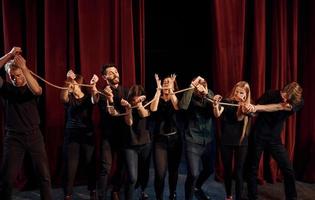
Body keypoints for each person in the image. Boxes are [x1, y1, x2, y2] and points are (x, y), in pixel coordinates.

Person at [0, 47, 53, 200]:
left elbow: (38, 90)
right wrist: (9, 55)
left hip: (34, 135)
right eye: (12, 76)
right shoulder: (6, 89)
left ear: (24, 73)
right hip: (13, 137)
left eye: (18, 75)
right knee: (7, 180)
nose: (16, 79)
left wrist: (24, 67)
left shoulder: (30, 88)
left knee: (44, 177)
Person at [246, 82, 303, 200]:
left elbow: (279, 107)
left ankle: (292, 197)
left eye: (288, 98)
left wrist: (256, 107)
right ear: (284, 90)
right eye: (284, 95)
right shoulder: (270, 94)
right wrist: (251, 109)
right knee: (253, 168)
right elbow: (255, 112)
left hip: (274, 140)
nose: (285, 99)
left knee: (288, 168)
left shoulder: (297, 102)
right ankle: (252, 196)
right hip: (259, 135)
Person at [92, 64, 128, 200]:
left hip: (123, 135)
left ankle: (116, 190)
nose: (115, 74)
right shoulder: (101, 93)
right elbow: (105, 111)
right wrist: (108, 98)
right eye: (111, 73)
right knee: (105, 167)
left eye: (116, 71)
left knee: (121, 165)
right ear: (104, 77)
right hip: (107, 136)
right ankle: (101, 195)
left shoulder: (126, 91)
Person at [60, 70, 98, 200]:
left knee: (90, 163)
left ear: (80, 85)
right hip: (71, 135)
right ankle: (68, 194)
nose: (72, 85)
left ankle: (93, 191)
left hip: (87, 134)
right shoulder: (69, 97)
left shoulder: (88, 97)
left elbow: (95, 99)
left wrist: (93, 86)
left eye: (74, 83)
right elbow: (63, 97)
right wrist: (68, 80)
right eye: (71, 83)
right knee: (70, 166)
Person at [213, 81, 252, 200]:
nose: (238, 94)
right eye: (236, 91)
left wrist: (244, 108)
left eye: (241, 92)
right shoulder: (227, 102)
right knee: (228, 170)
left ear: (246, 95)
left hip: (241, 142)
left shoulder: (248, 106)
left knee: (239, 172)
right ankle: (228, 195)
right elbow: (217, 114)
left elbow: (240, 118)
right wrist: (215, 105)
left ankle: (239, 197)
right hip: (226, 140)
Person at [179, 76, 216, 200]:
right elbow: (183, 106)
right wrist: (191, 86)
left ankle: (197, 187)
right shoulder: (190, 96)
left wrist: (206, 94)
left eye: (203, 83)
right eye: (198, 83)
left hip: (208, 140)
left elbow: (214, 109)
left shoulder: (209, 93)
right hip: (192, 140)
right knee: (193, 174)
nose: (201, 85)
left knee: (209, 169)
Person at [150, 74, 182, 200]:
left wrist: (172, 91)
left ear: (174, 85)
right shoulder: (158, 97)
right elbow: (153, 108)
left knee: (173, 171)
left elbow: (177, 107)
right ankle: (159, 197)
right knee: (160, 174)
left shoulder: (176, 98)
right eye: (164, 82)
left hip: (175, 140)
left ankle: (172, 194)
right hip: (160, 141)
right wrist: (158, 90)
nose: (166, 83)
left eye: (169, 82)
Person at [119, 85, 152, 200]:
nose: (135, 101)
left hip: (145, 143)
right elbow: (129, 123)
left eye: (137, 98)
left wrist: (139, 104)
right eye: (133, 99)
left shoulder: (147, 103)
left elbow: (144, 114)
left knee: (144, 172)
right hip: (130, 144)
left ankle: (142, 190)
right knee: (132, 177)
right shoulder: (126, 105)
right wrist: (128, 109)